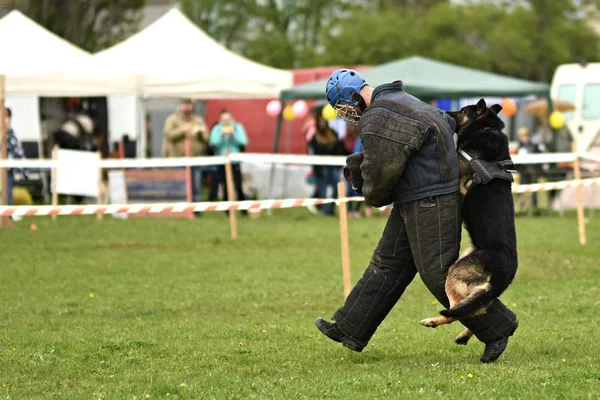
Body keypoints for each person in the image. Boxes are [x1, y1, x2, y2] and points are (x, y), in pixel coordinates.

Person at [315, 69, 518, 363]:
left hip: (430, 197)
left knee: (437, 272)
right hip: (417, 195)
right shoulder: (404, 99)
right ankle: (351, 328)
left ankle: (497, 326)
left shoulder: (377, 118)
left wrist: (364, 183)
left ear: (354, 96)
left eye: (345, 108)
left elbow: (382, 174)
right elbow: (447, 125)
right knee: (388, 263)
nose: (348, 115)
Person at [163, 99, 209, 212]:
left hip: (195, 159)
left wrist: (200, 133)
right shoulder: (172, 119)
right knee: (178, 187)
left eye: (189, 105)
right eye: (184, 105)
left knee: (196, 186)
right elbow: (168, 135)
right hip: (178, 160)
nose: (187, 107)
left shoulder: (198, 120)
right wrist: (182, 130)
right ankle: (178, 210)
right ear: (180, 106)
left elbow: (206, 138)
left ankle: (196, 211)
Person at [309, 106, 346, 215]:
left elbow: (340, 149)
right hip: (321, 169)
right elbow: (313, 154)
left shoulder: (333, 134)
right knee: (323, 191)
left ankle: (330, 210)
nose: (322, 122)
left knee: (336, 188)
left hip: (333, 168)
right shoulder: (315, 137)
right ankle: (325, 211)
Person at [209, 109, 248, 205]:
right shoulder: (217, 128)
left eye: (228, 119)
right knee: (225, 185)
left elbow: (243, 141)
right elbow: (213, 143)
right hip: (221, 160)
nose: (226, 121)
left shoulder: (237, 127)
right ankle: (227, 207)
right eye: (224, 119)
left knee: (238, 184)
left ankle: (243, 207)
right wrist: (221, 135)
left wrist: (234, 135)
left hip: (235, 160)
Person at [3, 108, 27, 207]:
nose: (7, 120)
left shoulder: (12, 135)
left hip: (8, 170)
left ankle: (9, 215)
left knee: (7, 193)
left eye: (8, 118)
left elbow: (18, 152)